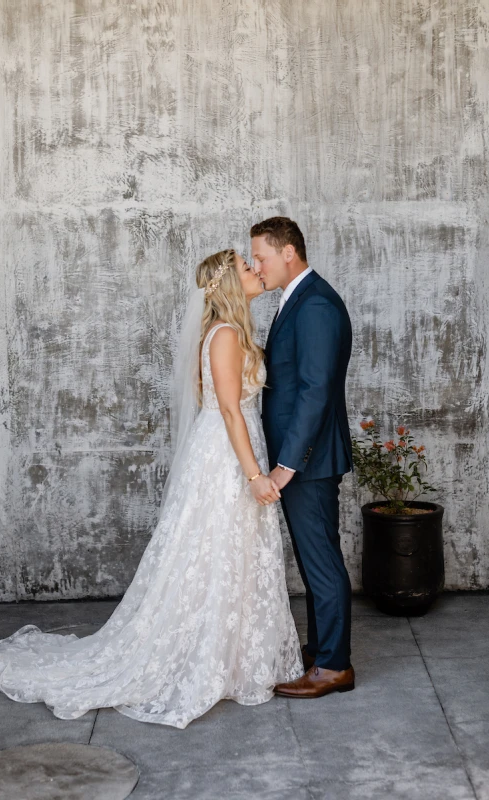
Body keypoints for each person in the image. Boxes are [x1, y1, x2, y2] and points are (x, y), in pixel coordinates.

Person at [0, 249, 302, 729]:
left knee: (232, 552)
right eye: (247, 267)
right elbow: (227, 411)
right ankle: (210, 657)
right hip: (228, 457)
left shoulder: (231, 332)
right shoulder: (224, 336)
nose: (255, 270)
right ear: (227, 285)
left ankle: (234, 658)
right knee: (216, 551)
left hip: (235, 448)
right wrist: (254, 476)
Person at [250, 216, 355, 698]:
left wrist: (286, 464)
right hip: (303, 459)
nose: (257, 266)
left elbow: (315, 391)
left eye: (261, 257)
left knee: (321, 561)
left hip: (307, 461)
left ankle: (334, 666)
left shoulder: (315, 305)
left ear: (288, 252)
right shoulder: (297, 301)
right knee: (316, 560)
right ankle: (320, 649)